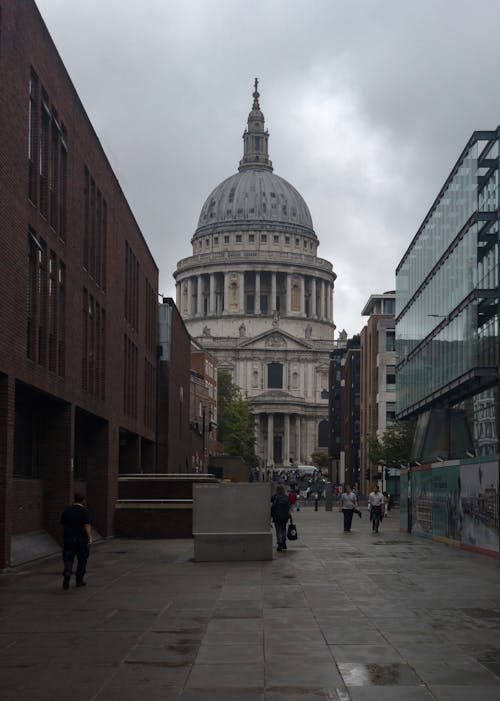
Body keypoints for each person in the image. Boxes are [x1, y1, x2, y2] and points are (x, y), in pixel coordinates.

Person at [60, 493, 92, 590]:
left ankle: (67, 572)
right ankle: (79, 580)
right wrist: (90, 537)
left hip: (69, 539)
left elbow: (62, 524)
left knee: (68, 558)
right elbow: (87, 524)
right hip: (81, 540)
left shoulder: (67, 510)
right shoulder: (84, 511)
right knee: (82, 559)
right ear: (83, 501)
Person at [271, 484, 291, 552]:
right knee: (283, 529)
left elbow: (273, 506)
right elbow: (288, 507)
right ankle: (284, 542)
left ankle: (279, 543)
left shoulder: (275, 497)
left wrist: (271, 514)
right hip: (284, 516)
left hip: (277, 516)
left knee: (278, 530)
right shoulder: (286, 497)